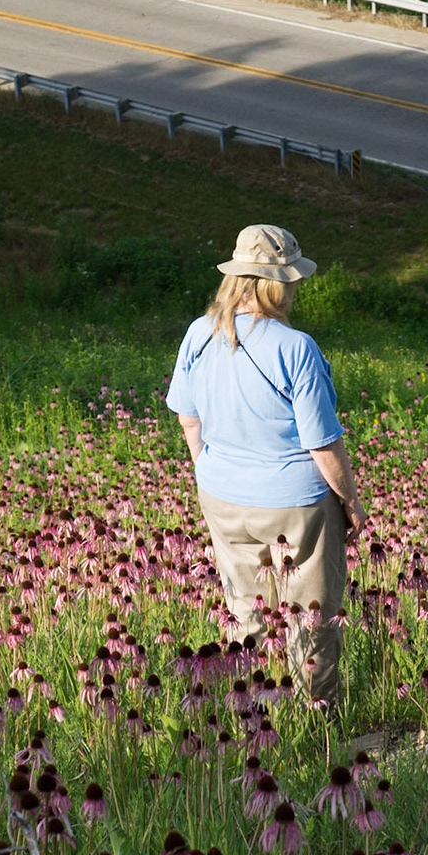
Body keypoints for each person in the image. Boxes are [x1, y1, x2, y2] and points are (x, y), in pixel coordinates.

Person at [166, 224, 369, 710]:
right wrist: (351, 502)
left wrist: (211, 475)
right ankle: (314, 720)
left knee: (245, 612)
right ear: (279, 283)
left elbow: (188, 417)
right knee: (309, 615)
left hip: (222, 496)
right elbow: (322, 444)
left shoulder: (199, 333)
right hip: (295, 504)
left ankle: (253, 713)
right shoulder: (296, 347)